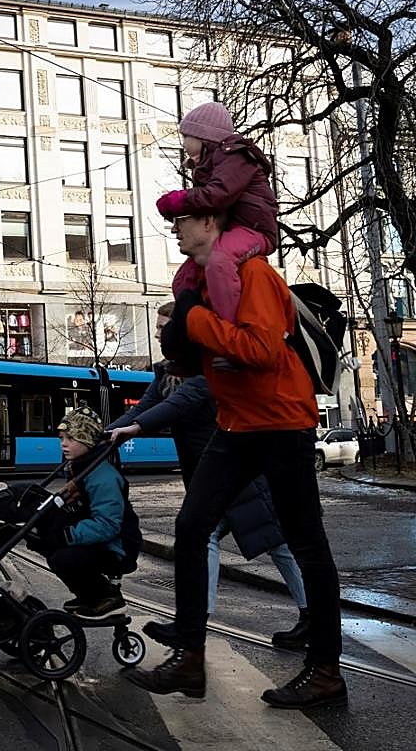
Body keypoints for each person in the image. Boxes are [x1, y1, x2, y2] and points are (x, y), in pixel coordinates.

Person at [121, 211, 345, 709]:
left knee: (304, 542)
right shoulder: (199, 282)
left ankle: (327, 670)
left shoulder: (253, 275)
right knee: (192, 524)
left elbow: (262, 350)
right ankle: (190, 658)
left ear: (209, 223)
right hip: (236, 422)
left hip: (281, 421)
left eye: (182, 221)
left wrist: (196, 322)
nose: (174, 230)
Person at [107, 301, 310, 649]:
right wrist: (103, 434)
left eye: (163, 328)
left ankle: (305, 616)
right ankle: (199, 619)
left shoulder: (207, 369)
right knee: (243, 541)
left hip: (238, 471)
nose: (158, 334)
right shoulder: (165, 372)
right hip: (211, 475)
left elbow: (180, 403)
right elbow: (147, 406)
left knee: (274, 544)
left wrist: (136, 428)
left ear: (182, 333)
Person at [156, 102, 277, 322]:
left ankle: (228, 325)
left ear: (204, 136)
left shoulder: (236, 157)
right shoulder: (210, 165)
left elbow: (218, 195)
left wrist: (180, 200)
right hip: (232, 228)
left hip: (254, 230)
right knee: (184, 278)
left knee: (219, 262)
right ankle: (192, 326)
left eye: (186, 137)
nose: (183, 144)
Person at [27, 407, 130, 620]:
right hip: (98, 539)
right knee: (46, 544)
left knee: (63, 558)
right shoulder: (81, 468)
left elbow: (108, 524)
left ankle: (106, 597)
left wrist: (68, 535)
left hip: (115, 546)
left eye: (71, 438)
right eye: (61, 438)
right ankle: (90, 595)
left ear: (87, 441)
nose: (63, 443)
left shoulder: (103, 477)